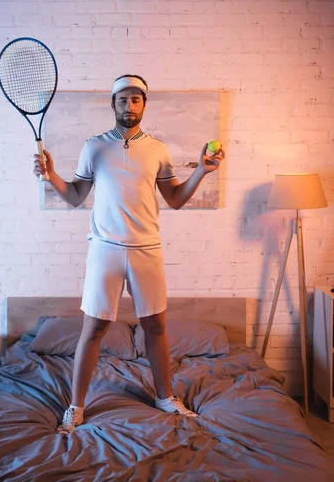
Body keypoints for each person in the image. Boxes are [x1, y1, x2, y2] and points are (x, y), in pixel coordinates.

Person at [33, 75, 225, 434]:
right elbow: (75, 197)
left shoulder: (158, 149)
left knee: (156, 325)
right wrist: (51, 175)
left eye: (136, 100)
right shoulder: (94, 147)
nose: (130, 106)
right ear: (113, 104)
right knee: (94, 328)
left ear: (144, 105)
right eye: (123, 100)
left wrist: (202, 170)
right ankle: (76, 407)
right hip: (104, 249)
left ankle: (164, 397)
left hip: (146, 249)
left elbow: (176, 200)